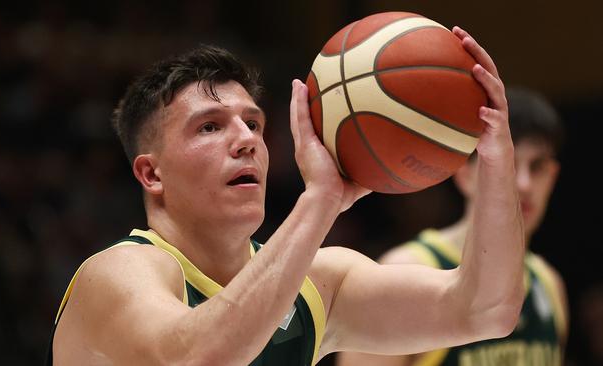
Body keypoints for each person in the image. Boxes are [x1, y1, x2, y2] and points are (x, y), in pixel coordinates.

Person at [48, 26, 526, 365]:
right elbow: (199, 358)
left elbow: (486, 310)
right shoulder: (116, 273)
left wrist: (495, 159)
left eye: (253, 123)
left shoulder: (318, 285)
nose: (246, 140)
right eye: (210, 127)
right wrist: (320, 202)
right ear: (151, 174)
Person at [337, 87, 568, 366]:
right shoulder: (406, 269)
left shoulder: (549, 284)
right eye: (509, 165)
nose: (524, 184)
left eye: (538, 166)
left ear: (553, 177)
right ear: (464, 175)